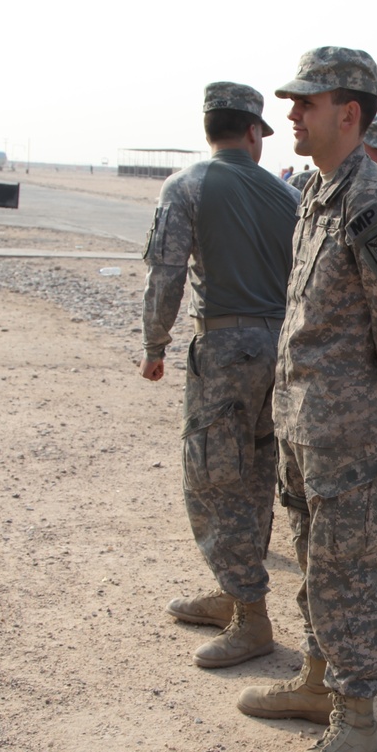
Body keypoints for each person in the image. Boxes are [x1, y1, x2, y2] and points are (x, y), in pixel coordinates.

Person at [235, 47, 377, 752]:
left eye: (305, 104)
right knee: (314, 557)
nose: (290, 114)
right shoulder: (318, 192)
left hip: (347, 425)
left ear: (349, 114)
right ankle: (317, 678)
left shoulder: (372, 201)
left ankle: (357, 721)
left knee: (345, 571)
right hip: (304, 416)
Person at [140, 82, 298, 667]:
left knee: (213, 481)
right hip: (281, 351)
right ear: (252, 132)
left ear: (209, 129)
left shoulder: (186, 185)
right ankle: (237, 594)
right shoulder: (286, 195)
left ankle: (250, 616)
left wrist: (154, 343)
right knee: (255, 474)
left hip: (227, 351)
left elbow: (166, 271)